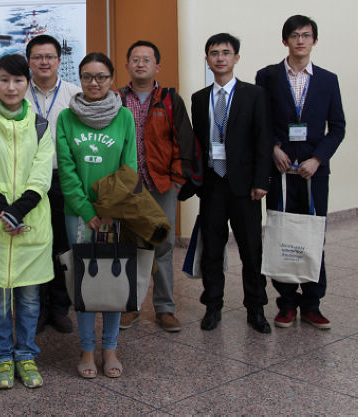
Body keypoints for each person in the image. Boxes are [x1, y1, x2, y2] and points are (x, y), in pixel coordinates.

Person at [0, 53, 54, 390]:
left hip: (30, 224)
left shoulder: (40, 125)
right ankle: (2, 358)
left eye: (18, 80)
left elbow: (41, 175)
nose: (11, 87)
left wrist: (19, 211)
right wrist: (4, 210)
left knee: (30, 300)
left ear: (27, 84)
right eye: (4, 80)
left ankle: (26, 355)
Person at [255, 15, 345, 329]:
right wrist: (273, 148)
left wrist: (317, 159)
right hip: (280, 170)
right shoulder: (268, 76)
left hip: (313, 173)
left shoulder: (327, 80)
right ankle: (286, 303)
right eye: (294, 35)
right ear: (285, 41)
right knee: (282, 233)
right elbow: (260, 120)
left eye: (306, 35)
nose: (300, 41)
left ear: (314, 40)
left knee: (312, 235)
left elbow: (337, 127)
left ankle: (312, 304)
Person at [56, 52, 136, 379]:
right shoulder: (66, 117)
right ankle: (87, 348)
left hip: (114, 214)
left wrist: (108, 211)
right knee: (85, 282)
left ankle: (110, 348)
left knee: (114, 278)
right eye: (87, 76)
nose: (94, 82)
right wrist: (87, 210)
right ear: (80, 79)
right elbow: (67, 170)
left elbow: (129, 167)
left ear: (112, 79)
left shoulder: (124, 116)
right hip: (78, 214)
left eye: (101, 76)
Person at [191, 33, 272, 334]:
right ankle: (213, 307)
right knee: (212, 249)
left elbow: (264, 139)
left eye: (226, 53)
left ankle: (256, 309)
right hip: (213, 185)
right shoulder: (199, 99)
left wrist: (262, 181)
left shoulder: (254, 95)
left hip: (246, 187)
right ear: (207, 59)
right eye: (214, 53)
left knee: (251, 250)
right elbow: (198, 143)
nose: (220, 58)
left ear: (236, 58)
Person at [117, 40, 194, 332]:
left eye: (146, 60)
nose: (140, 64)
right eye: (135, 59)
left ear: (157, 67)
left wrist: (177, 181)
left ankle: (164, 308)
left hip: (161, 185)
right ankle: (131, 307)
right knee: (133, 247)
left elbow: (183, 141)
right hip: (129, 187)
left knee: (163, 245)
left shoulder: (170, 99)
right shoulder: (116, 99)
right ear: (127, 65)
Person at [24, 34, 81, 335]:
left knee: (61, 245)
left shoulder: (75, 95)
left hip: (62, 179)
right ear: (29, 61)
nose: (44, 62)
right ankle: (36, 309)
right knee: (34, 245)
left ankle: (59, 308)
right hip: (28, 181)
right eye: (37, 57)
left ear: (59, 60)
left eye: (49, 57)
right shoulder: (19, 93)